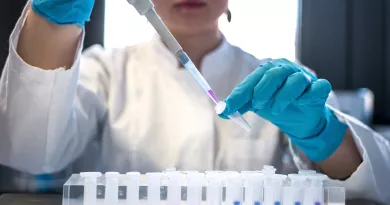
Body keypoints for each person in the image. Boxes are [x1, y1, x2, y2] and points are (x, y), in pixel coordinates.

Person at [0, 0, 389, 203]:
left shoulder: (276, 81)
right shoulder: (104, 71)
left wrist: (321, 135)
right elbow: (29, 151)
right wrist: (53, 20)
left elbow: (377, 185)